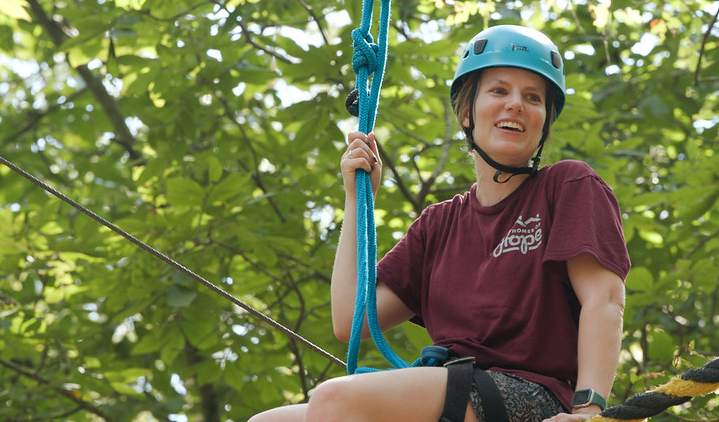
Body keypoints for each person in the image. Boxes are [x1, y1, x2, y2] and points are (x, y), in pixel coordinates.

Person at [249, 25, 630, 422]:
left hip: (533, 398)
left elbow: (604, 300)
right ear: (467, 113)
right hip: (454, 390)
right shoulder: (440, 224)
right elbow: (351, 320)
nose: (515, 104)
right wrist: (357, 198)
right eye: (499, 91)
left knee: (335, 400)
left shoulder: (567, 185)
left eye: (533, 98)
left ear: (544, 122)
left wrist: (588, 411)